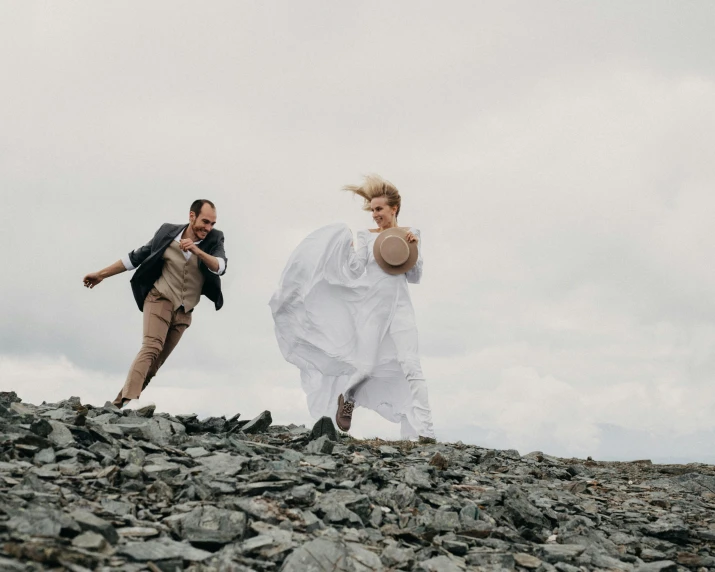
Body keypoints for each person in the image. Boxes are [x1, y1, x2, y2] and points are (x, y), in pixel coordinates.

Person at [270, 175, 436, 442]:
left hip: (401, 309)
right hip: (371, 309)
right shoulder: (365, 237)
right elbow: (357, 270)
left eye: (379, 209)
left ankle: (426, 432)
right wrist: (343, 253)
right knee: (366, 368)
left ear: (394, 208)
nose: (374, 215)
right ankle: (347, 397)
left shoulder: (410, 233)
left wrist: (413, 247)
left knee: (411, 365)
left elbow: (414, 277)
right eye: (372, 210)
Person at [82, 200, 227, 408]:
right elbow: (135, 257)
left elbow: (220, 267)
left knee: (156, 362)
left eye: (212, 223)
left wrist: (197, 252)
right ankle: (132, 400)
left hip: (185, 311)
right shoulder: (167, 232)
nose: (208, 227)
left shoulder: (215, 238)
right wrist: (101, 274)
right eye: (205, 221)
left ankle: (118, 406)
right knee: (151, 347)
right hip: (160, 298)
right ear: (192, 216)